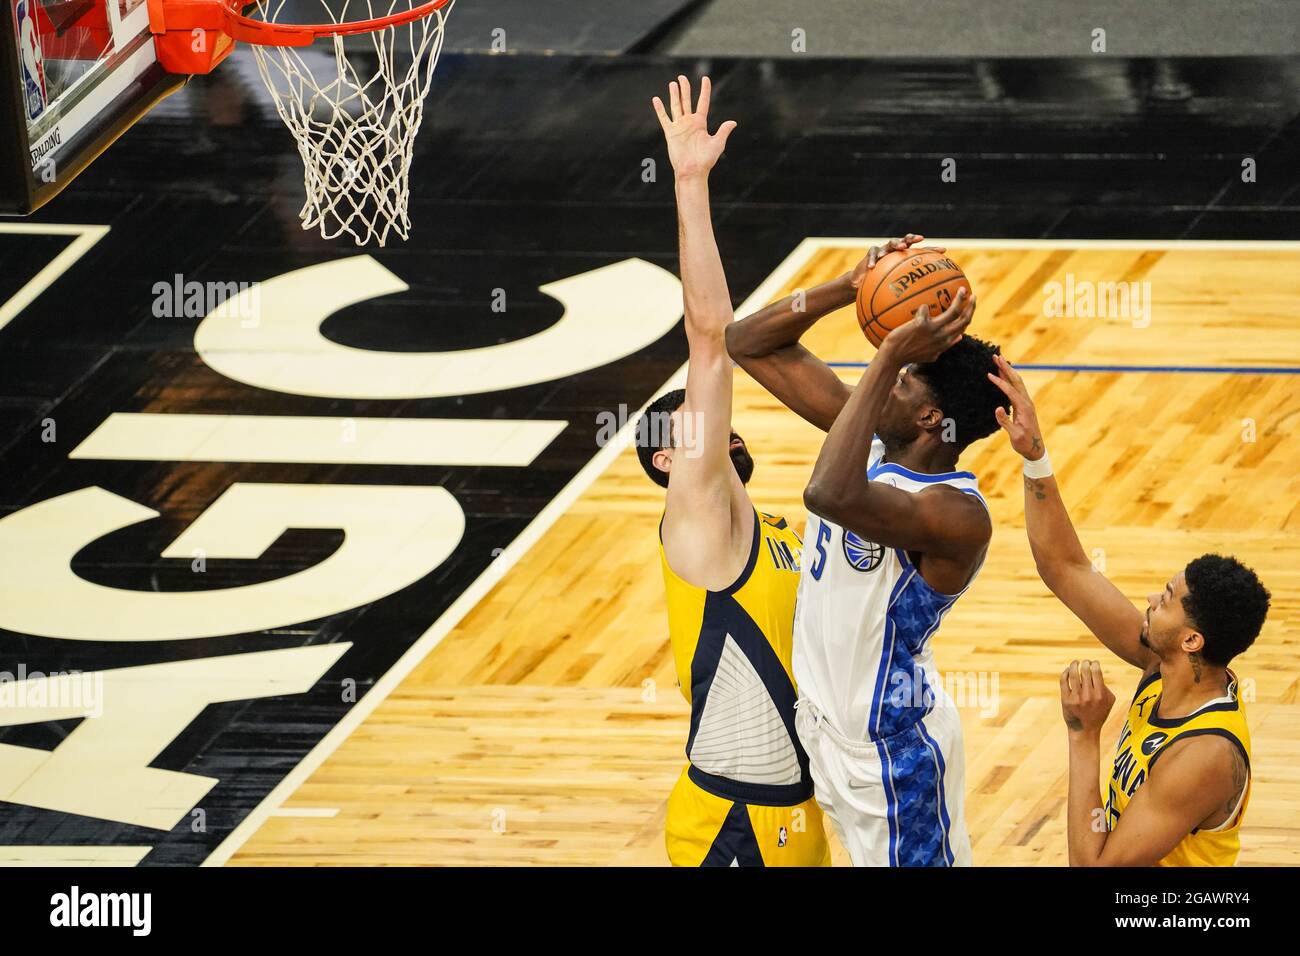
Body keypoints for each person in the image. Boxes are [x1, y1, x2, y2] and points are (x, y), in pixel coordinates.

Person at [727, 241, 1005, 866]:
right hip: (826, 728)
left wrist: (888, 355)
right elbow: (745, 341)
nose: (883, 385)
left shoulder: (955, 515)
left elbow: (829, 494)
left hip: (893, 752)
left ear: (931, 417)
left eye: (903, 382)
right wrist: (853, 286)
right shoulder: (877, 438)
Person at [637, 74, 829, 866]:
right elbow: (710, 340)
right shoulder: (698, 523)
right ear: (668, 460)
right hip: (732, 825)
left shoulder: (780, 529)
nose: (720, 431)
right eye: (697, 426)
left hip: (801, 812)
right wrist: (690, 185)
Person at [988, 353, 1269, 866]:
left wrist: (1083, 735)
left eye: (1165, 600)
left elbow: (1094, 869)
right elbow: (1066, 567)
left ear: (1192, 639)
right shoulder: (1163, 668)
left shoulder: (1203, 755)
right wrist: (1034, 457)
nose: (1148, 602)